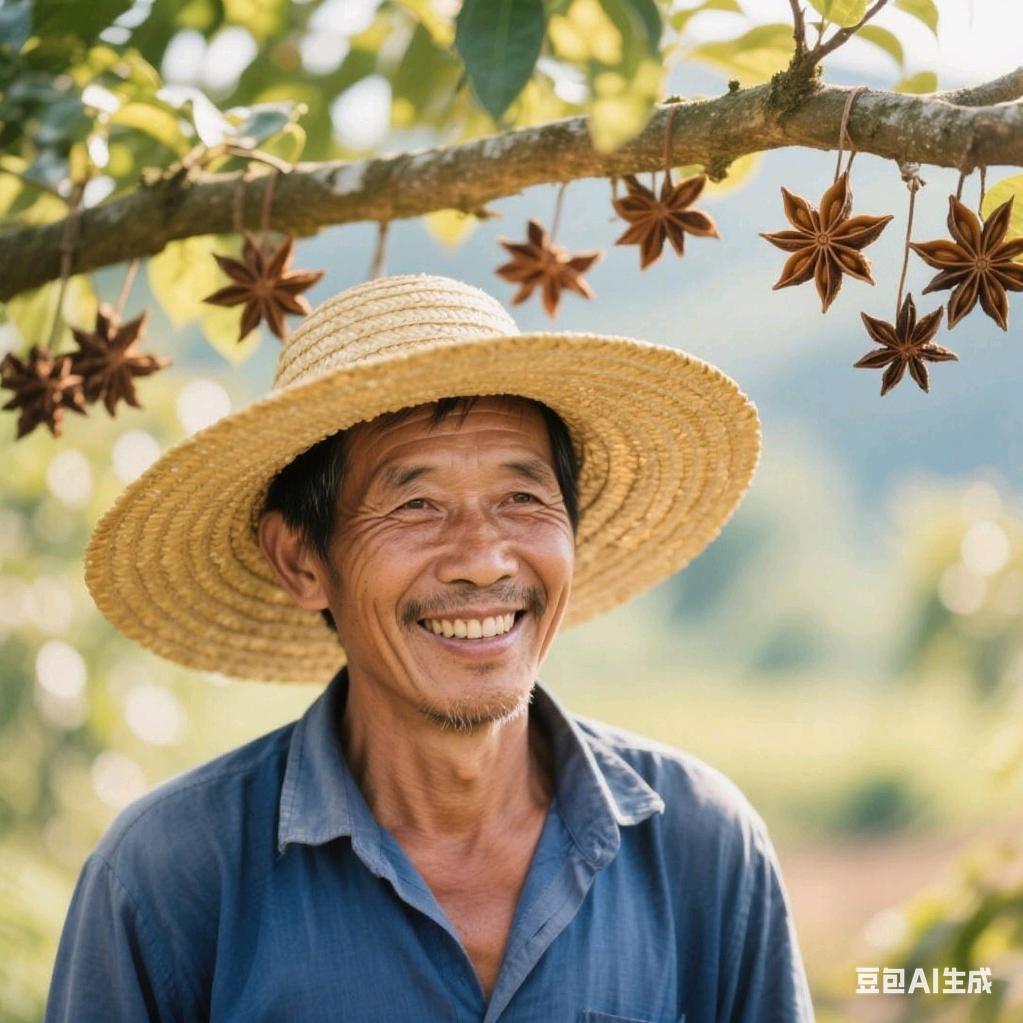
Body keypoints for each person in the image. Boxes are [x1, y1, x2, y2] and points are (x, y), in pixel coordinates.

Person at [46, 274, 814, 1021]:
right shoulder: (169, 879)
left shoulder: (701, 847)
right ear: (301, 561)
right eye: (415, 503)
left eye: (522, 496)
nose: (484, 558)